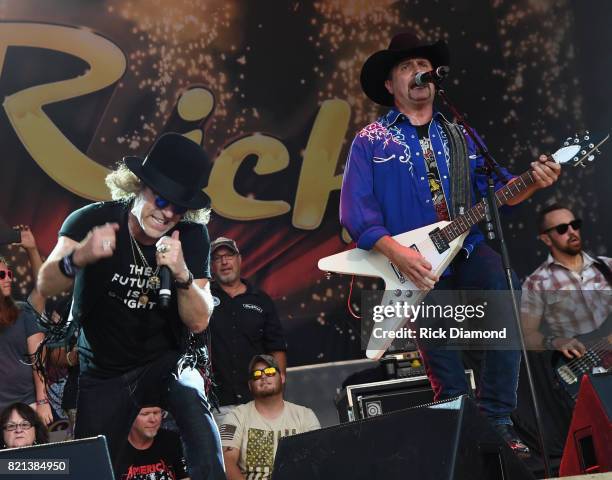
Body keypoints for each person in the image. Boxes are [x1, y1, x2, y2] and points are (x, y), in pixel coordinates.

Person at [340, 31, 561, 454]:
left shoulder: (460, 134)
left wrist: (535, 182)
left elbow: (501, 192)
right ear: (390, 85)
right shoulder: (370, 140)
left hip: (468, 248)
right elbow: (356, 213)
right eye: (405, 67)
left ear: (434, 78)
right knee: (443, 358)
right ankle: (460, 429)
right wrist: (398, 254)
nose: (416, 73)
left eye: (422, 66)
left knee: (506, 290)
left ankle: (497, 417)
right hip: (414, 261)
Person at [36, 132, 224, 479]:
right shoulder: (91, 221)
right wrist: (80, 256)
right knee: (90, 469)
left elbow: (198, 322)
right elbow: (46, 282)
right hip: (104, 371)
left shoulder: (192, 236)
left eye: (178, 207)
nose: (167, 214)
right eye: (161, 199)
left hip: (164, 361)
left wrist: (182, 274)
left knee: (194, 400)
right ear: (138, 186)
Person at [208, 237, 287, 425]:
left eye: (229, 255)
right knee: (229, 454)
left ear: (239, 259)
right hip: (220, 404)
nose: (224, 262)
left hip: (258, 401)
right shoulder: (203, 297)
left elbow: (276, 346)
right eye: (218, 258)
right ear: (211, 265)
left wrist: (277, 391)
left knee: (264, 454)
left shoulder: (261, 299)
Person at [522, 204, 612, 357]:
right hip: (582, 365)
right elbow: (527, 336)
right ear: (546, 239)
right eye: (562, 229)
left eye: (575, 225)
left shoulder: (608, 265)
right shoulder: (536, 282)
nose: (572, 232)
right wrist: (555, 342)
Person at [220, 354, 320, 480]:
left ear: (282, 377)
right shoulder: (234, 417)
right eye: (256, 374)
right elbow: (226, 462)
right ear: (250, 385)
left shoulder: (306, 415)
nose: (263, 376)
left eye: (270, 371)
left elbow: (317, 460)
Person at [0, 227, 52, 425]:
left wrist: (42, 401)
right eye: (1, 275)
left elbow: (37, 359)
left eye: (9, 274)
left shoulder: (21, 311)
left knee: (27, 457)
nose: (8, 279)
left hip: (25, 405)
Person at [115, 406, 190, 480]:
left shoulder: (171, 440)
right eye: (145, 414)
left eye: (156, 413)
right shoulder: (114, 446)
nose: (153, 419)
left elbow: (184, 476)